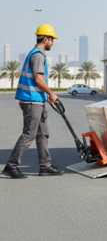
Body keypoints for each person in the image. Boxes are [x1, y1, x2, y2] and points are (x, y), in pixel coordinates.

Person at [2, 25, 64, 179]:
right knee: (29, 134)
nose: (53, 43)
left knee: (43, 134)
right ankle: (11, 166)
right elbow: (38, 79)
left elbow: (37, 80)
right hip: (31, 101)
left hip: (37, 99)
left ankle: (45, 166)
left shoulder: (37, 54)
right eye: (52, 40)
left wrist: (45, 95)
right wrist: (51, 93)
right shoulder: (38, 55)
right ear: (45, 39)